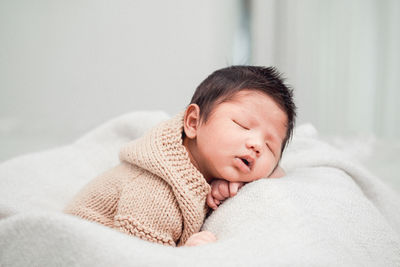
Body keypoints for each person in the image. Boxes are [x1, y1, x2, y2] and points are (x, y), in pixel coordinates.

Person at [64, 65, 296, 247]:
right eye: (242, 125)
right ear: (193, 123)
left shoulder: (205, 165)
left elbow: (276, 173)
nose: (256, 145)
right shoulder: (155, 190)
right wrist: (187, 253)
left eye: (270, 146)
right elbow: (133, 255)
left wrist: (224, 182)